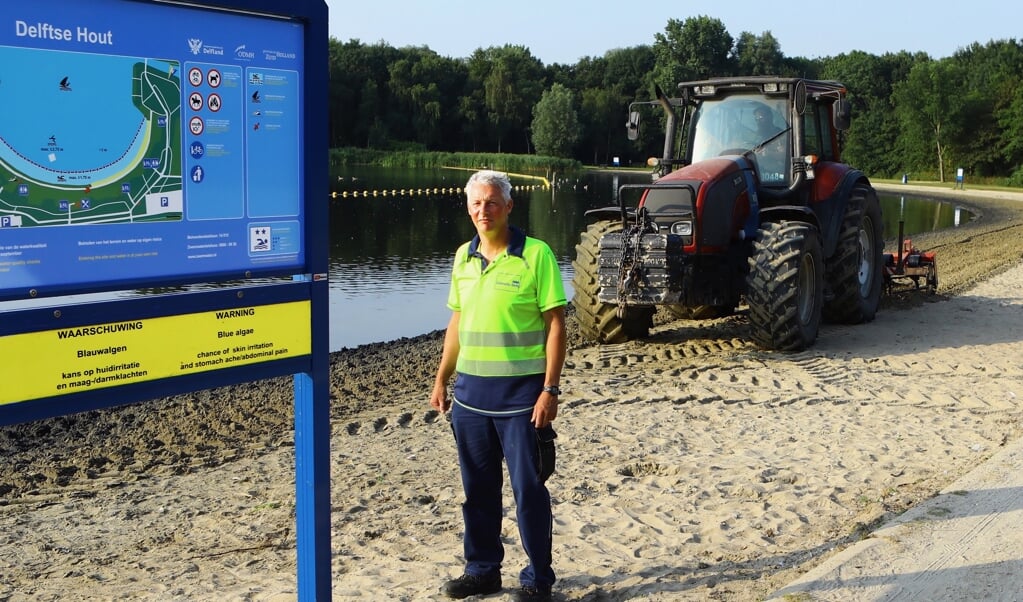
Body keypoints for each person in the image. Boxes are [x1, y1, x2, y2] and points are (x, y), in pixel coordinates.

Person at [430, 170, 567, 602]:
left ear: (509, 206)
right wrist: (441, 378)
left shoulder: (536, 255)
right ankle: (482, 570)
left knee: (529, 491)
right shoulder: (461, 258)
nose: (482, 211)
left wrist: (550, 389)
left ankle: (538, 580)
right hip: (470, 400)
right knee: (478, 493)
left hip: (522, 401)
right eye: (475, 203)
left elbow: (556, 325)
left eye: (491, 202)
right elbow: (456, 322)